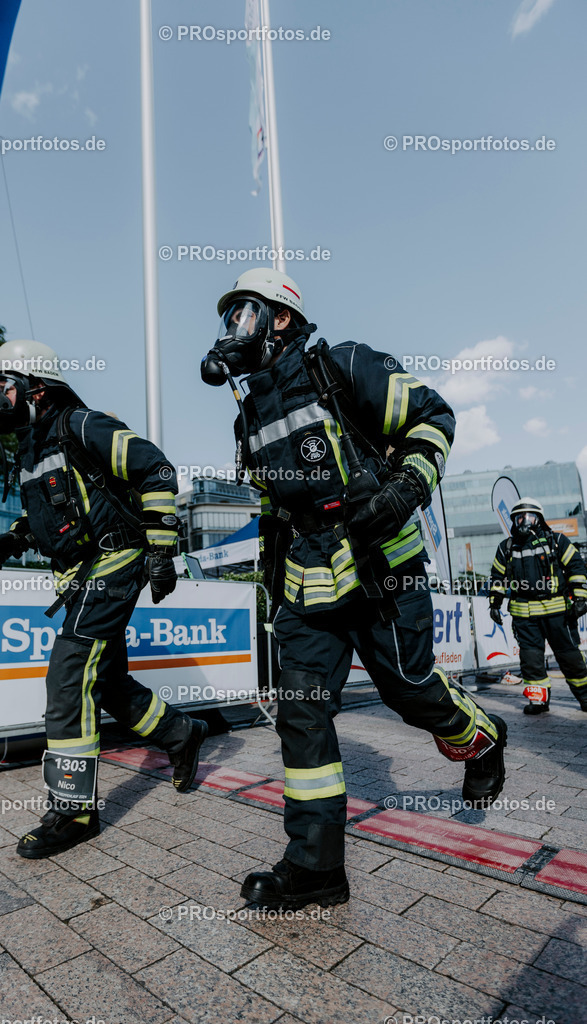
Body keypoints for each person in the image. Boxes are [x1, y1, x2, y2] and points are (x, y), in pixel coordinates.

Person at [200, 268, 507, 910]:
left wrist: (406, 489)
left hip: (380, 567)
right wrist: (273, 590)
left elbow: (432, 418)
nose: (233, 331)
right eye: (226, 320)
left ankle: (482, 737)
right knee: (302, 711)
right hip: (305, 585)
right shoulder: (249, 414)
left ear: (280, 317)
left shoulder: (342, 367)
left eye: (244, 315)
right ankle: (315, 867)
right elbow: (272, 510)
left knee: (412, 691)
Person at [0, 339, 207, 858]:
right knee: (103, 681)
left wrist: (162, 549)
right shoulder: (31, 449)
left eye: (5, 384)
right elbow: (48, 515)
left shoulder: (83, 425)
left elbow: (157, 470)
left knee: (69, 675)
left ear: (37, 389)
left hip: (115, 561)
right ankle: (181, 733)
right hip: (79, 574)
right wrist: (15, 535)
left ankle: (73, 811)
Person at [489, 498, 587, 714]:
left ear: (539, 519)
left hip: (558, 614)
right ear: (514, 521)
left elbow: (576, 567)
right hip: (524, 617)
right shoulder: (506, 547)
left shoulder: (557, 540)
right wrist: (494, 604)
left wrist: (581, 597)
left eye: (530, 516)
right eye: (519, 517)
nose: (525, 521)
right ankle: (539, 701)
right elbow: (497, 578)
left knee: (570, 657)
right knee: (531, 662)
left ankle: (585, 696)